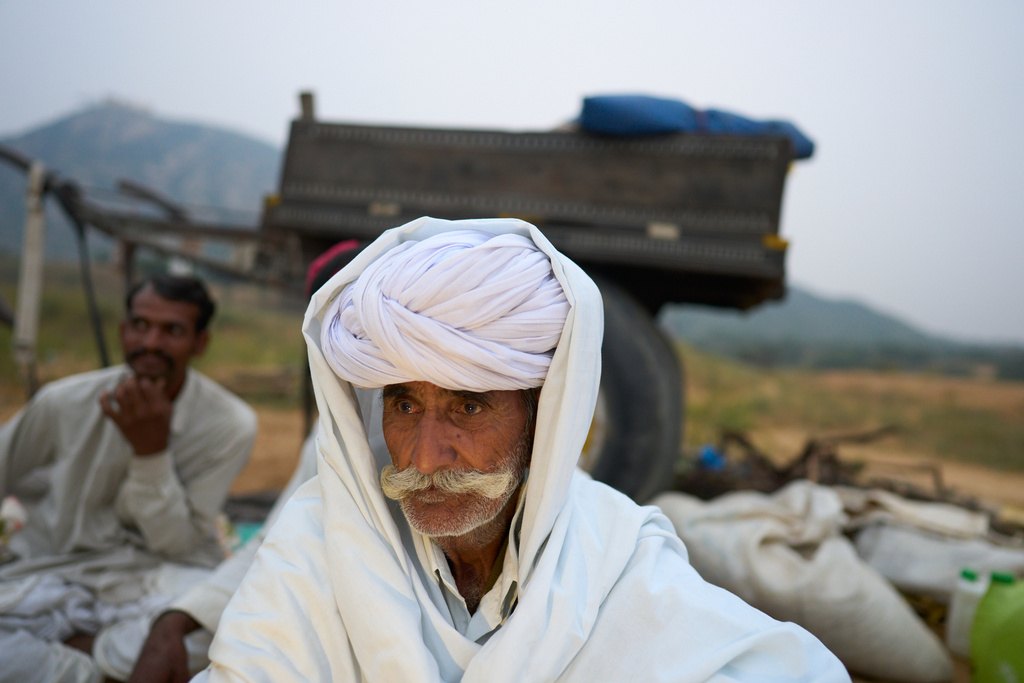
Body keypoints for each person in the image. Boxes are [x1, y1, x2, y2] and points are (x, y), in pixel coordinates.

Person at [197, 217, 850, 682]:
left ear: (546, 416)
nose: (424, 458)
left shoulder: (615, 551)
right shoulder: (322, 535)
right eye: (404, 405)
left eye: (468, 406)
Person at [0, 274, 257, 683]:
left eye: (172, 330)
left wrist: (150, 453)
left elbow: (173, 543)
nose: (150, 343)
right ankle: (92, 666)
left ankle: (72, 660)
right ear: (123, 330)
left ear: (199, 343)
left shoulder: (229, 424)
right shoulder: (64, 403)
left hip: (154, 580)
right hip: (55, 572)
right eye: (140, 325)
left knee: (232, 625)